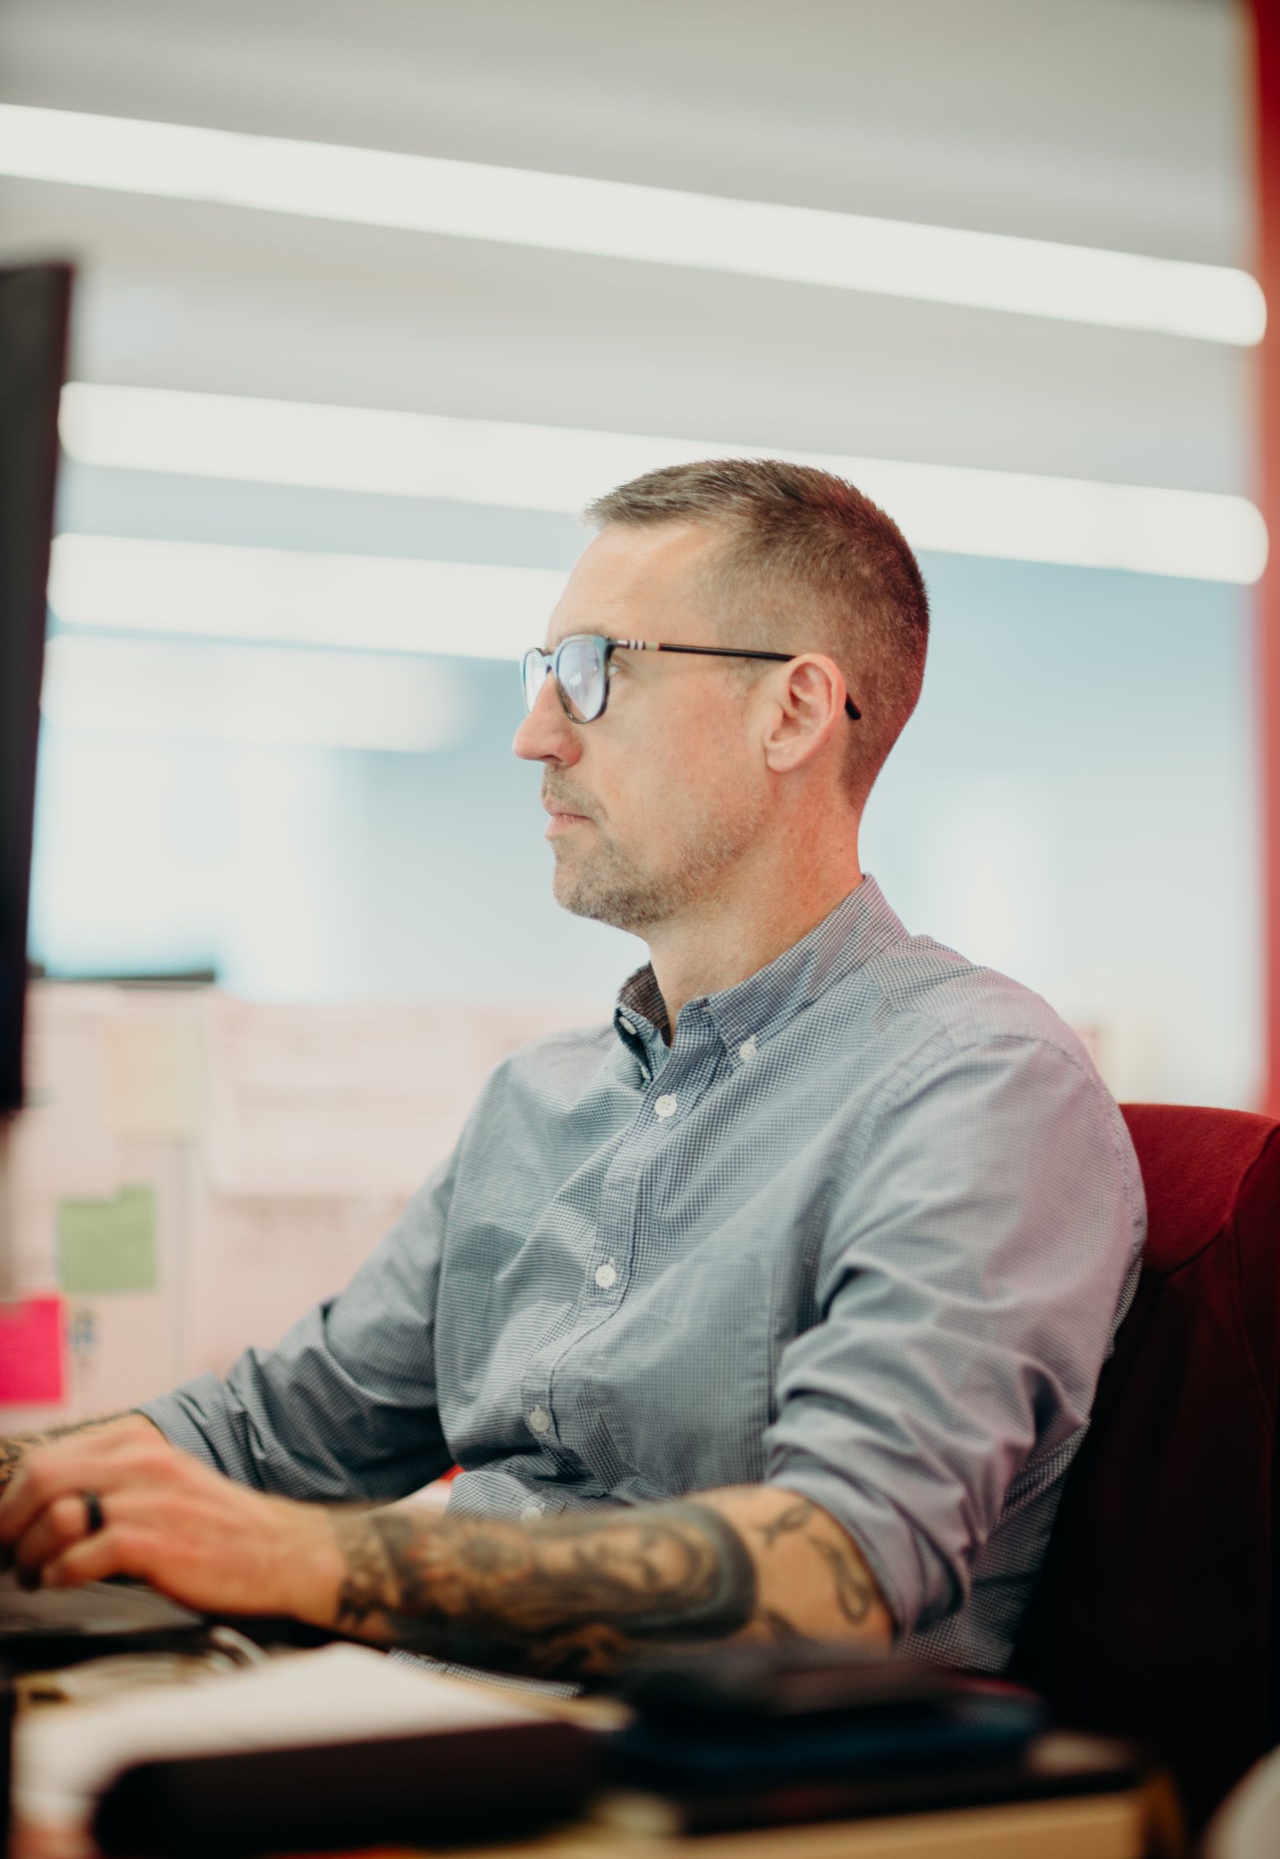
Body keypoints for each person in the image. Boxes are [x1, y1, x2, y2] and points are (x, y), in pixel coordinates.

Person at [0, 460, 1144, 1680]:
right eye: (541, 674)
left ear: (794, 713)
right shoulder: (536, 1102)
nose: (533, 734)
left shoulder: (974, 1083)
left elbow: (833, 1572)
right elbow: (277, 1433)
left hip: (742, 1794)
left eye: (595, 670)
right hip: (445, 1729)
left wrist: (299, 1563)